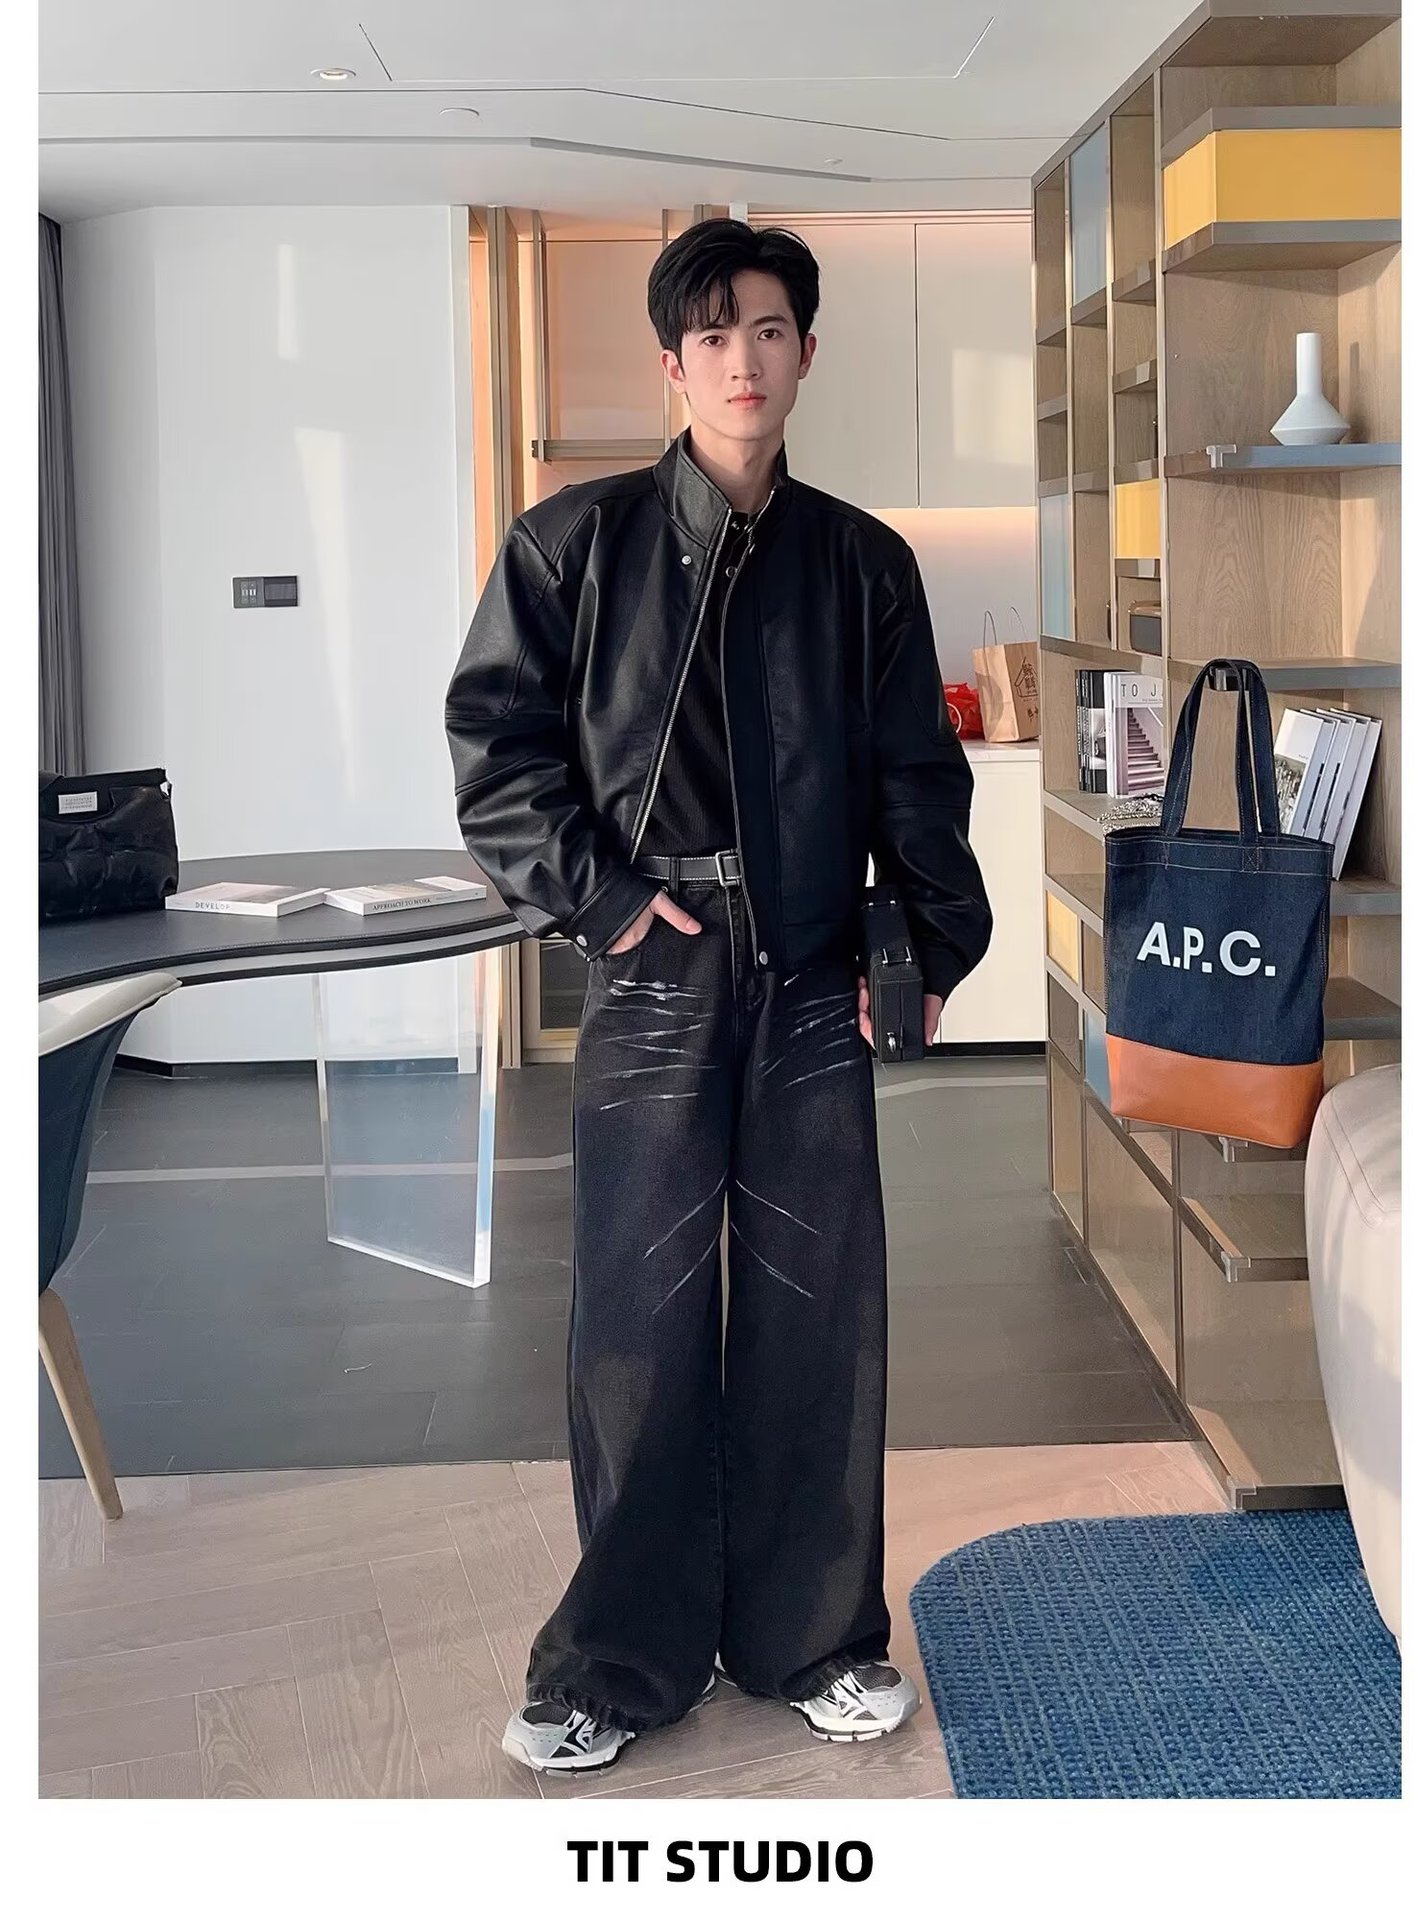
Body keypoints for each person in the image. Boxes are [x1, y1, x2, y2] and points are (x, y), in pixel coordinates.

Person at [444, 218, 992, 1777]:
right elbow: (498, 757)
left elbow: (917, 775)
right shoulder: (573, 545)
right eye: (712, 334)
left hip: (813, 973)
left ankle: (815, 1640)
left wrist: (923, 948)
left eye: (768, 330)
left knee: (822, 1312)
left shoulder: (863, 563)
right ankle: (617, 1662)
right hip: (654, 968)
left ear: (806, 352)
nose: (742, 359)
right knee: (639, 1317)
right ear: (671, 364)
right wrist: (610, 903)